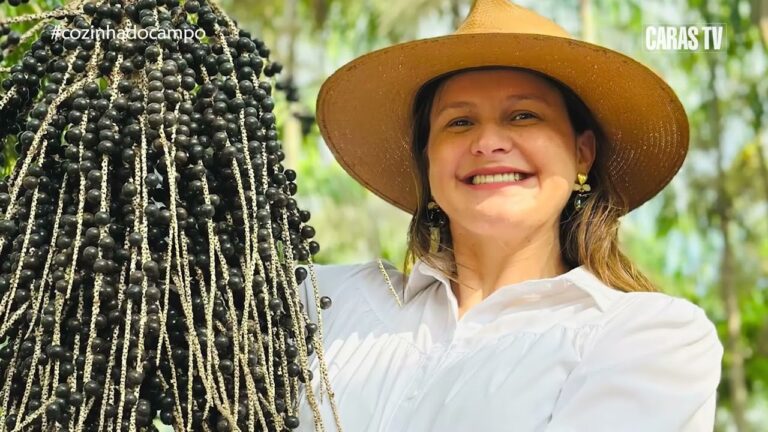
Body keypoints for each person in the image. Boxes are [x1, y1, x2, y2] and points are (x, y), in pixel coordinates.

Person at [295, 0, 723, 431]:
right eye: (459, 122)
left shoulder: (646, 338)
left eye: (523, 116)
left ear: (582, 152)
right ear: (427, 159)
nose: (488, 142)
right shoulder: (325, 301)